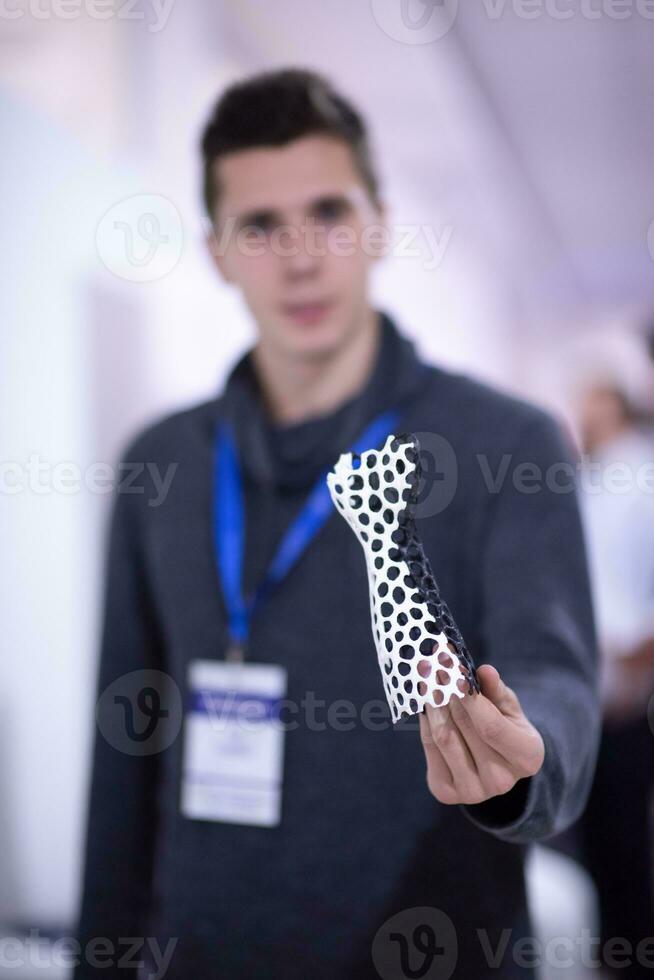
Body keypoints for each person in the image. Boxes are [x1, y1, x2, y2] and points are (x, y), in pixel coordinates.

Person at [74, 68, 599, 979]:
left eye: (328, 211)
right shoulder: (161, 464)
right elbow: (125, 753)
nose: (301, 256)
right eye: (261, 226)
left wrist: (525, 761)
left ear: (379, 225)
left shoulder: (504, 443)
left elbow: (554, 677)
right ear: (216, 252)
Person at [567, 382, 654, 978]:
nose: (583, 410)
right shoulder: (588, 479)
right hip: (589, 694)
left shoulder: (639, 476)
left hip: (625, 694)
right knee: (599, 845)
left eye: (596, 397)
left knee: (625, 847)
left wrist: (638, 664)